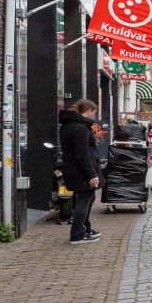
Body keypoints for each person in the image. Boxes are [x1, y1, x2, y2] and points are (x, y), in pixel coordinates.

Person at [59, 99, 101, 243]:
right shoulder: (81, 129)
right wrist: (92, 174)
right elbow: (82, 154)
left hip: (72, 169)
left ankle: (85, 229)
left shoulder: (67, 126)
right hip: (81, 171)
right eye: (93, 113)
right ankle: (78, 234)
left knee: (86, 199)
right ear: (88, 111)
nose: (93, 116)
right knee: (84, 201)